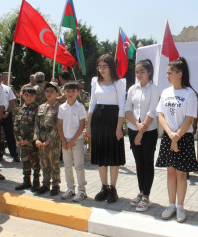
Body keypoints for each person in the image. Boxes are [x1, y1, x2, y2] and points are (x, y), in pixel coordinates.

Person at [156, 57, 198, 223]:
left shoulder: (190, 94)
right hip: (169, 136)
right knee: (170, 173)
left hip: (184, 137)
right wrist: (170, 134)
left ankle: (180, 207)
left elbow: (189, 119)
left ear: (180, 74)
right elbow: (160, 115)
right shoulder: (166, 92)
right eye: (167, 73)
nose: (167, 76)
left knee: (181, 175)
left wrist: (177, 137)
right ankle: (171, 205)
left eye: (170, 73)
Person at [87, 54, 126, 203]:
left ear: (111, 67)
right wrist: (88, 125)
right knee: (101, 157)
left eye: (105, 66)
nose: (102, 69)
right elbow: (92, 103)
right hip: (98, 119)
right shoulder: (95, 81)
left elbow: (122, 106)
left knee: (113, 157)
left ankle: (113, 188)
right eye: (99, 66)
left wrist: (118, 128)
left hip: (113, 119)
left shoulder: (119, 83)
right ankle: (104, 187)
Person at [125, 59, 159, 212]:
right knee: (139, 162)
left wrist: (141, 130)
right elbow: (127, 110)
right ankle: (141, 191)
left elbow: (152, 111)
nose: (139, 74)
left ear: (149, 72)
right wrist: (137, 127)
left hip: (149, 131)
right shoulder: (132, 89)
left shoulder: (154, 89)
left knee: (147, 162)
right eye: (137, 71)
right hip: (133, 129)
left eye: (142, 71)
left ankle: (147, 196)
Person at [57, 82, 87, 202]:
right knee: (67, 165)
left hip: (77, 140)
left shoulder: (80, 107)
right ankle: (70, 188)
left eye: (73, 91)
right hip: (65, 140)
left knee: (79, 166)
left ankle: (81, 190)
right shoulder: (62, 107)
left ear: (78, 92)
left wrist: (72, 140)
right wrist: (64, 141)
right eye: (68, 91)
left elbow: (82, 126)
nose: (70, 94)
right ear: (64, 92)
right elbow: (59, 125)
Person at [33, 82, 61, 196]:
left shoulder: (59, 107)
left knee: (54, 163)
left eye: (52, 91)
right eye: (47, 91)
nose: (49, 94)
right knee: (44, 163)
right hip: (41, 140)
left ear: (57, 93)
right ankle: (45, 184)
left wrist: (49, 140)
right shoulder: (41, 106)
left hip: (53, 141)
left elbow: (58, 125)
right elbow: (37, 124)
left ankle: (55, 185)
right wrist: (36, 139)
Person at [14, 87, 41, 191]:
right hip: (22, 142)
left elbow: (37, 126)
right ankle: (26, 181)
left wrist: (29, 140)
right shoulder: (20, 109)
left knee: (35, 162)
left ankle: (36, 182)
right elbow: (16, 124)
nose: (28, 97)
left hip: (32, 142)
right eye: (26, 95)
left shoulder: (38, 108)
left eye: (30, 95)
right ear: (22, 95)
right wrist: (19, 139)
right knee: (25, 161)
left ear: (34, 96)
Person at [0, 71, 19, 162]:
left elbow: (11, 102)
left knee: (10, 135)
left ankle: (14, 154)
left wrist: (6, 113)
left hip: (6, 115)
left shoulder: (7, 88)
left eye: (0, 77)